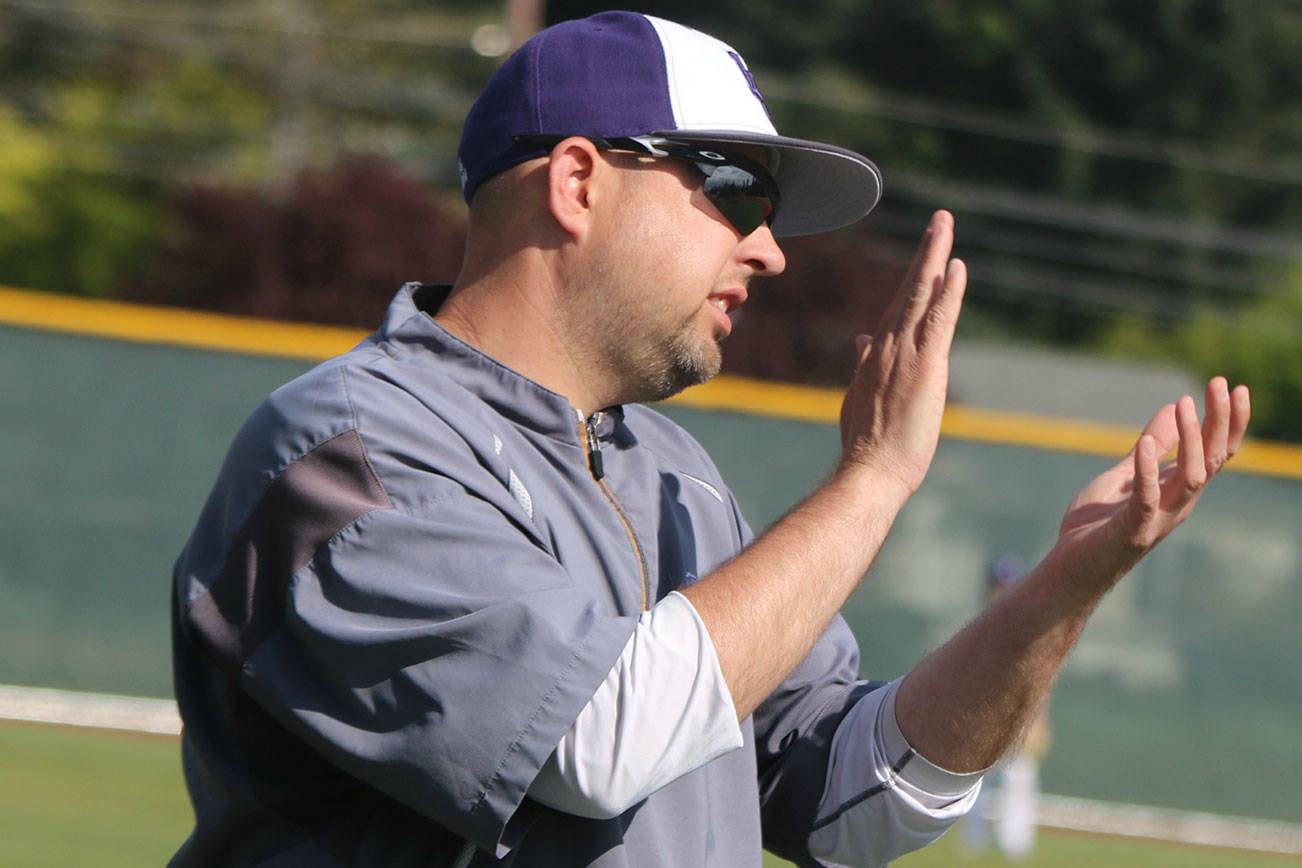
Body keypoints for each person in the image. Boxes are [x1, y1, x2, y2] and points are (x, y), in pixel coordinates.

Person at [168, 11, 1251, 868]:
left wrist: (1063, 587)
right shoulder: (350, 451)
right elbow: (598, 740)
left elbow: (853, 804)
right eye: (737, 191)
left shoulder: (673, 474)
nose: (771, 250)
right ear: (579, 181)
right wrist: (874, 478)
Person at [958, 555, 1051, 862]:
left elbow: (1041, 676)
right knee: (974, 782)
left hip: (1019, 716)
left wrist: (1038, 717)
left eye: (1009, 584)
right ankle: (972, 843)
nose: (1003, 590)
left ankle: (1015, 848)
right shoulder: (977, 624)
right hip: (982, 715)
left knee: (1018, 782)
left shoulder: (1031, 625)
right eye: (999, 584)